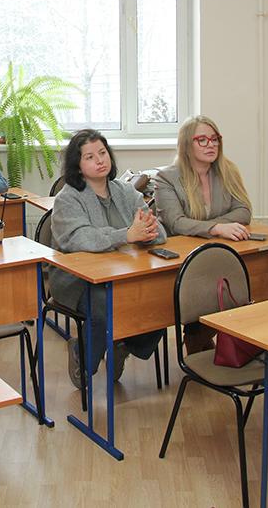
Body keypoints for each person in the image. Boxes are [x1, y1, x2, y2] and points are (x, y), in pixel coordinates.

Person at [49, 129, 167, 390]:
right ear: (77, 166)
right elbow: (80, 240)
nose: (100, 160)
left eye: (102, 153)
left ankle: (124, 345)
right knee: (106, 308)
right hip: (77, 279)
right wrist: (127, 235)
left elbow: (158, 232)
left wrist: (145, 234)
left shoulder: (126, 191)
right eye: (89, 157)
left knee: (163, 298)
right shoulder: (68, 198)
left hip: (123, 272)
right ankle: (82, 357)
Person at [154, 115, 254, 353]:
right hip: (181, 260)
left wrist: (207, 226)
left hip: (220, 253)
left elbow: (244, 211)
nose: (211, 145)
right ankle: (197, 336)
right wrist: (217, 228)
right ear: (187, 144)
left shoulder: (227, 170)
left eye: (215, 139)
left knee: (244, 284)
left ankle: (197, 336)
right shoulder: (167, 178)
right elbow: (176, 223)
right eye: (202, 140)